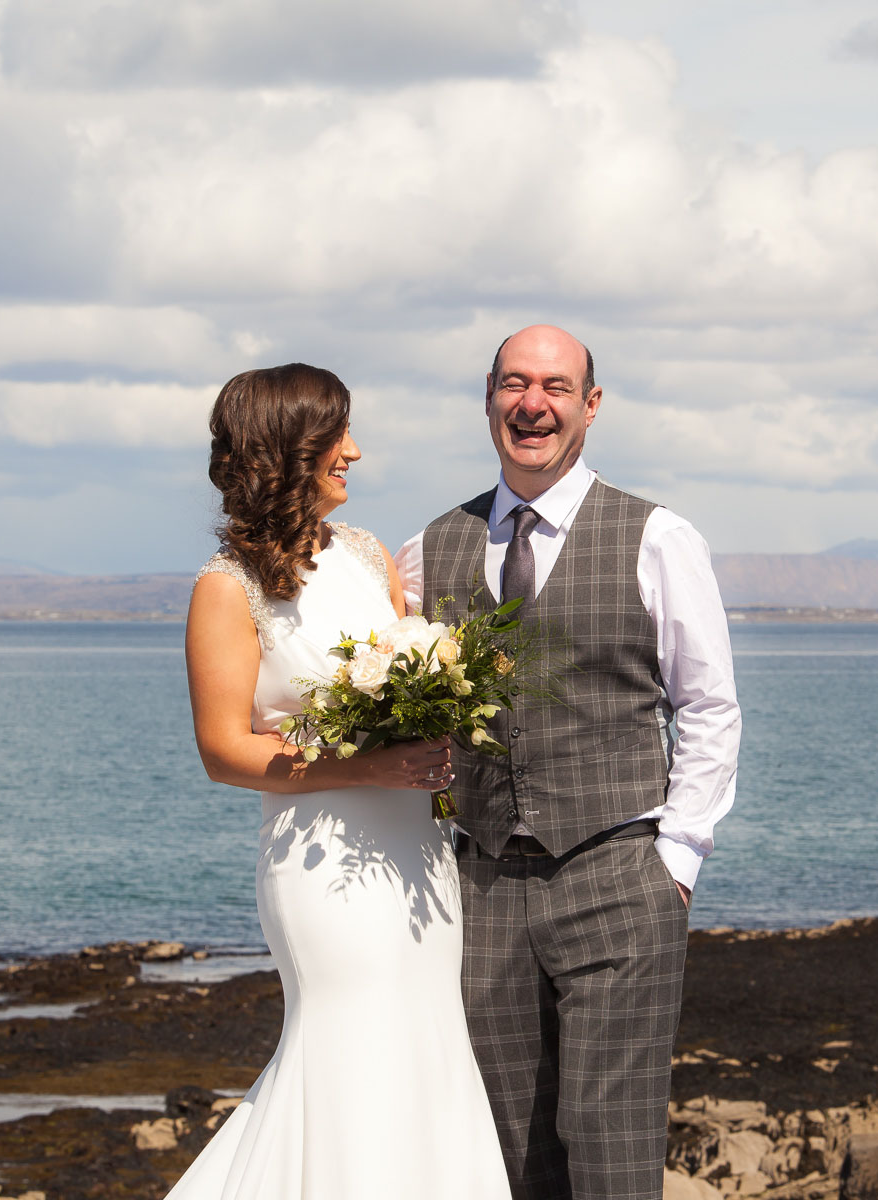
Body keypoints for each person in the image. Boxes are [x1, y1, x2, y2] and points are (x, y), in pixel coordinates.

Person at [395, 325, 742, 1200]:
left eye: (554, 386)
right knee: (505, 1151)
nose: (532, 404)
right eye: (514, 384)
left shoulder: (657, 537)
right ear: (489, 400)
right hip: (478, 890)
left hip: (619, 875)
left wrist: (677, 860)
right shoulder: (429, 548)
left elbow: (707, 706)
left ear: (590, 405)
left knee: (612, 1146)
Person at [167, 363, 511, 1199]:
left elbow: (407, 683)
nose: (353, 451)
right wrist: (367, 765)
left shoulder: (364, 557)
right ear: (288, 451)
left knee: (423, 1049)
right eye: (336, 437)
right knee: (347, 1051)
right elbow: (223, 751)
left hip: (416, 854)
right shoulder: (226, 588)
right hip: (323, 866)